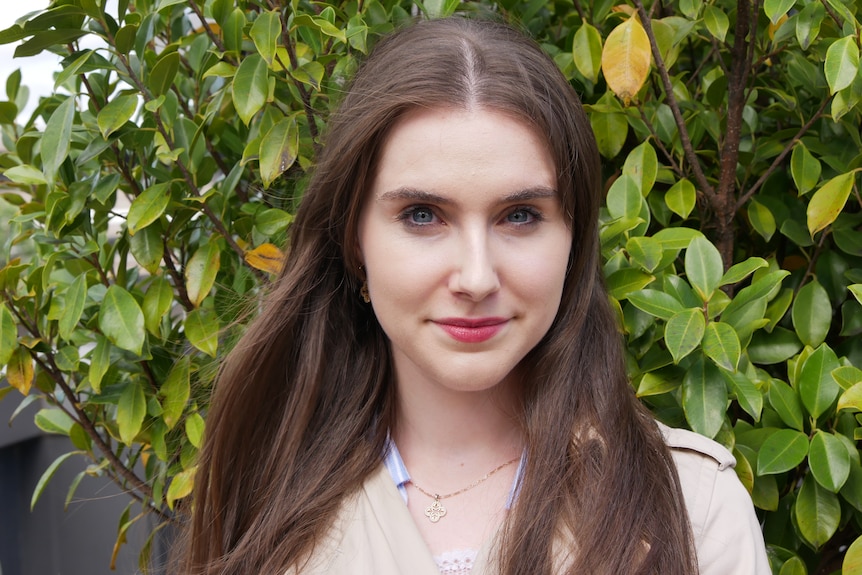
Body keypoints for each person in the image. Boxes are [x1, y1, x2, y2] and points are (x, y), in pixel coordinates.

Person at [177, 16, 769, 575]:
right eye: (422, 215)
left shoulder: (694, 507)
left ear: (574, 238)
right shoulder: (265, 487)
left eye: (519, 215)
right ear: (354, 239)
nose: (477, 277)